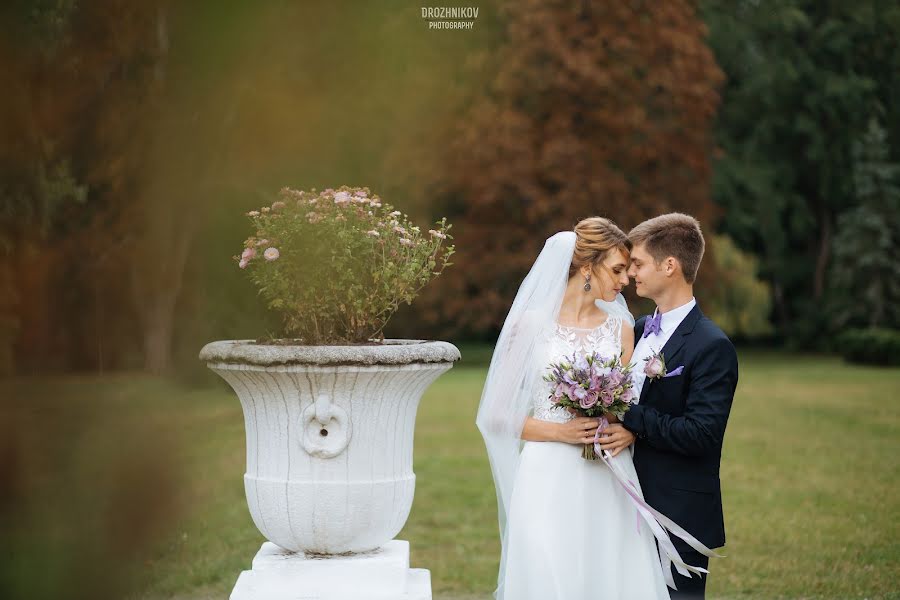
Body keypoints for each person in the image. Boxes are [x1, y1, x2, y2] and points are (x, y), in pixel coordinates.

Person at [476, 217, 716, 600]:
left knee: (608, 575)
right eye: (618, 269)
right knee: (549, 573)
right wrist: (561, 432)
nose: (625, 280)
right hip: (546, 474)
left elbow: (628, 404)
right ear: (588, 267)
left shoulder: (621, 328)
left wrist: (624, 425)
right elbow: (496, 414)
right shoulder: (528, 326)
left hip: (608, 475)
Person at [597, 213, 739, 598]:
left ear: (670, 265)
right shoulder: (640, 329)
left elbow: (702, 434)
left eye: (639, 263)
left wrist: (632, 419)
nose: (630, 273)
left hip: (678, 511)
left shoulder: (712, 346)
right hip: (625, 499)